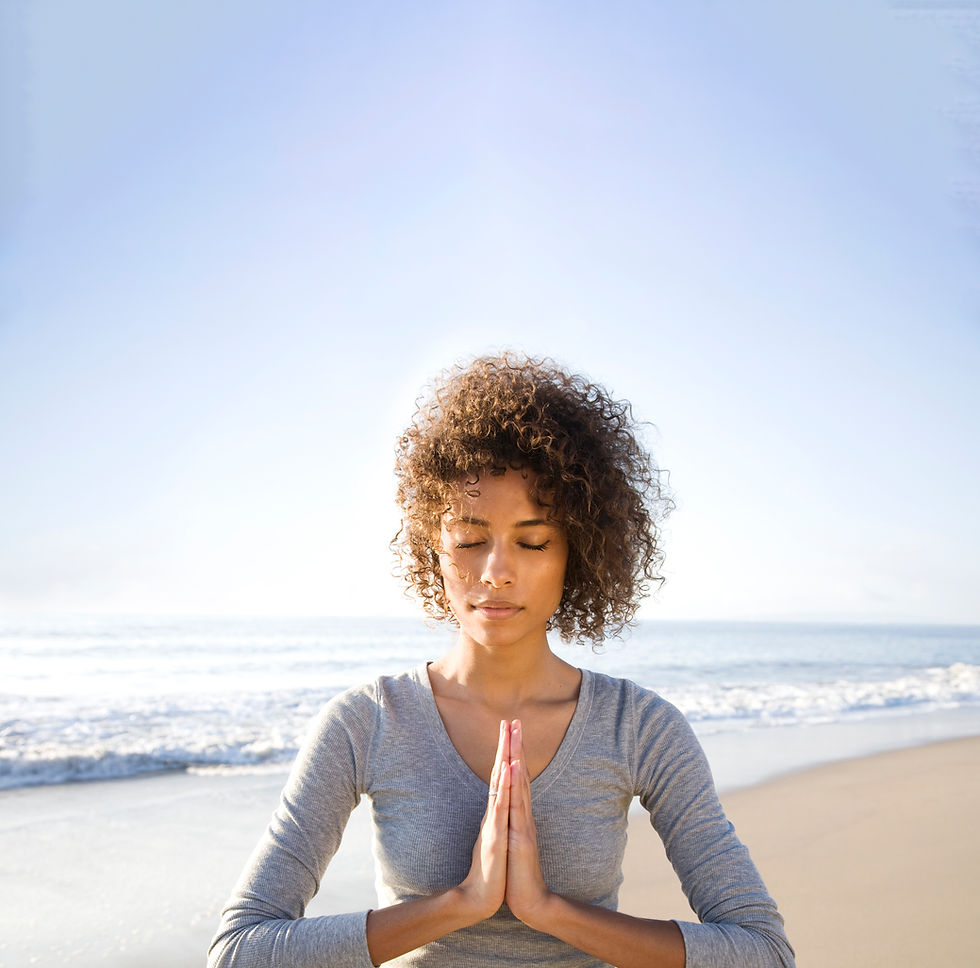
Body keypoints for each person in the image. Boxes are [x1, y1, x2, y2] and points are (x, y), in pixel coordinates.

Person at [208, 354, 795, 968]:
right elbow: (239, 952)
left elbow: (762, 952)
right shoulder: (367, 721)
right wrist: (462, 903)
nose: (496, 572)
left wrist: (549, 910)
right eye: (468, 540)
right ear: (431, 548)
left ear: (579, 551)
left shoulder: (639, 727)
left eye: (533, 541)